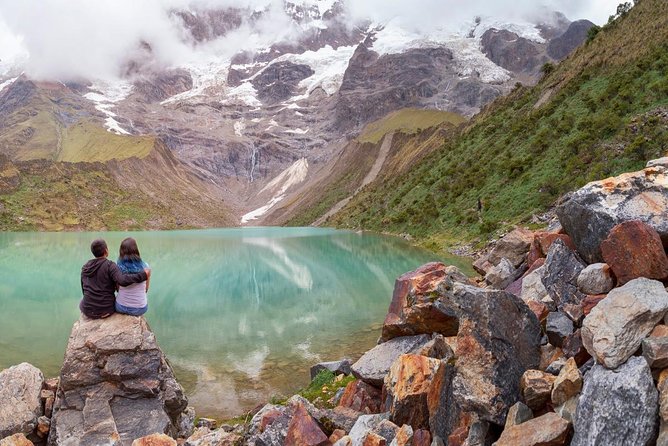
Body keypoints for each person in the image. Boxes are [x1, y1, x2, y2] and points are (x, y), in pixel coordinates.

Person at [80, 238, 149, 319]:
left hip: (87, 310)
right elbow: (122, 280)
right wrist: (143, 275)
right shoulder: (110, 265)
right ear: (106, 251)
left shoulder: (85, 267)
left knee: (82, 301)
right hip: (106, 310)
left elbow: (83, 289)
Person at [115, 237, 151, 316]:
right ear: (136, 250)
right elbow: (146, 289)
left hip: (120, 306)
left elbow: (117, 289)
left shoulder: (117, 267)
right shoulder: (146, 267)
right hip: (140, 308)